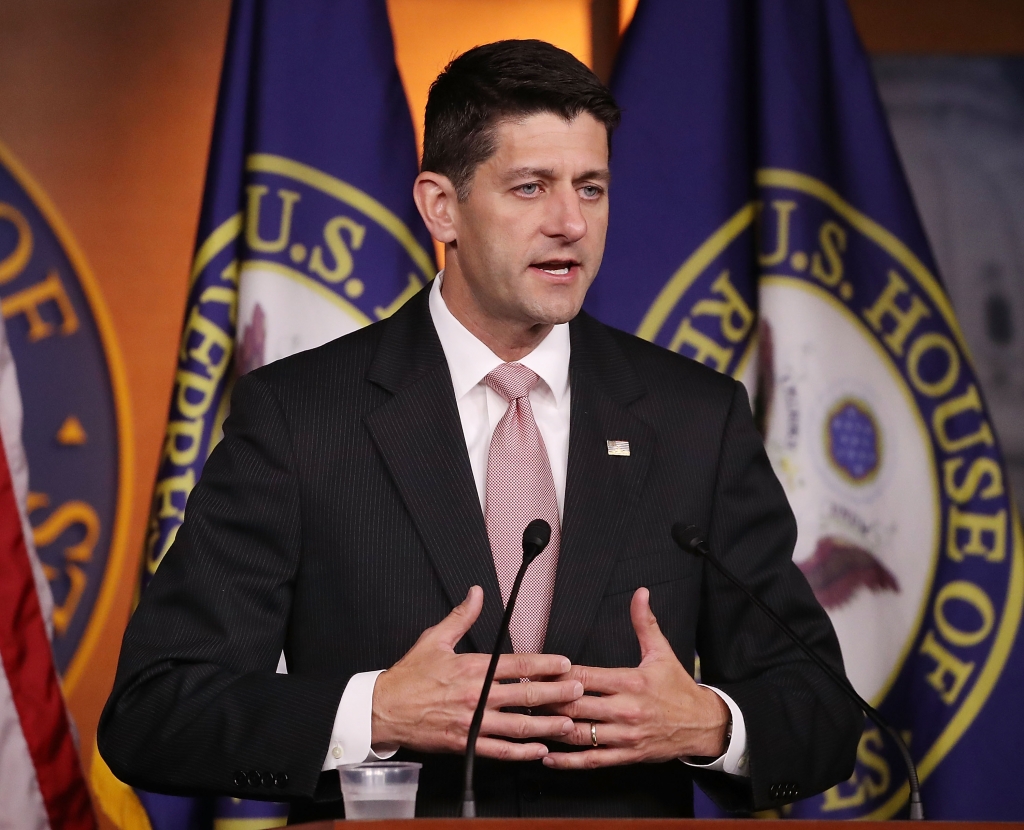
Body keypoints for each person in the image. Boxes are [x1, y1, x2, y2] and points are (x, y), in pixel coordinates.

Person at [99, 40, 861, 819]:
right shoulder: (300, 418)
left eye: (591, 188)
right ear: (440, 206)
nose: (570, 223)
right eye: (530, 187)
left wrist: (710, 724)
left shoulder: (695, 418)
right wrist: (374, 713)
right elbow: (154, 713)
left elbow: (825, 714)